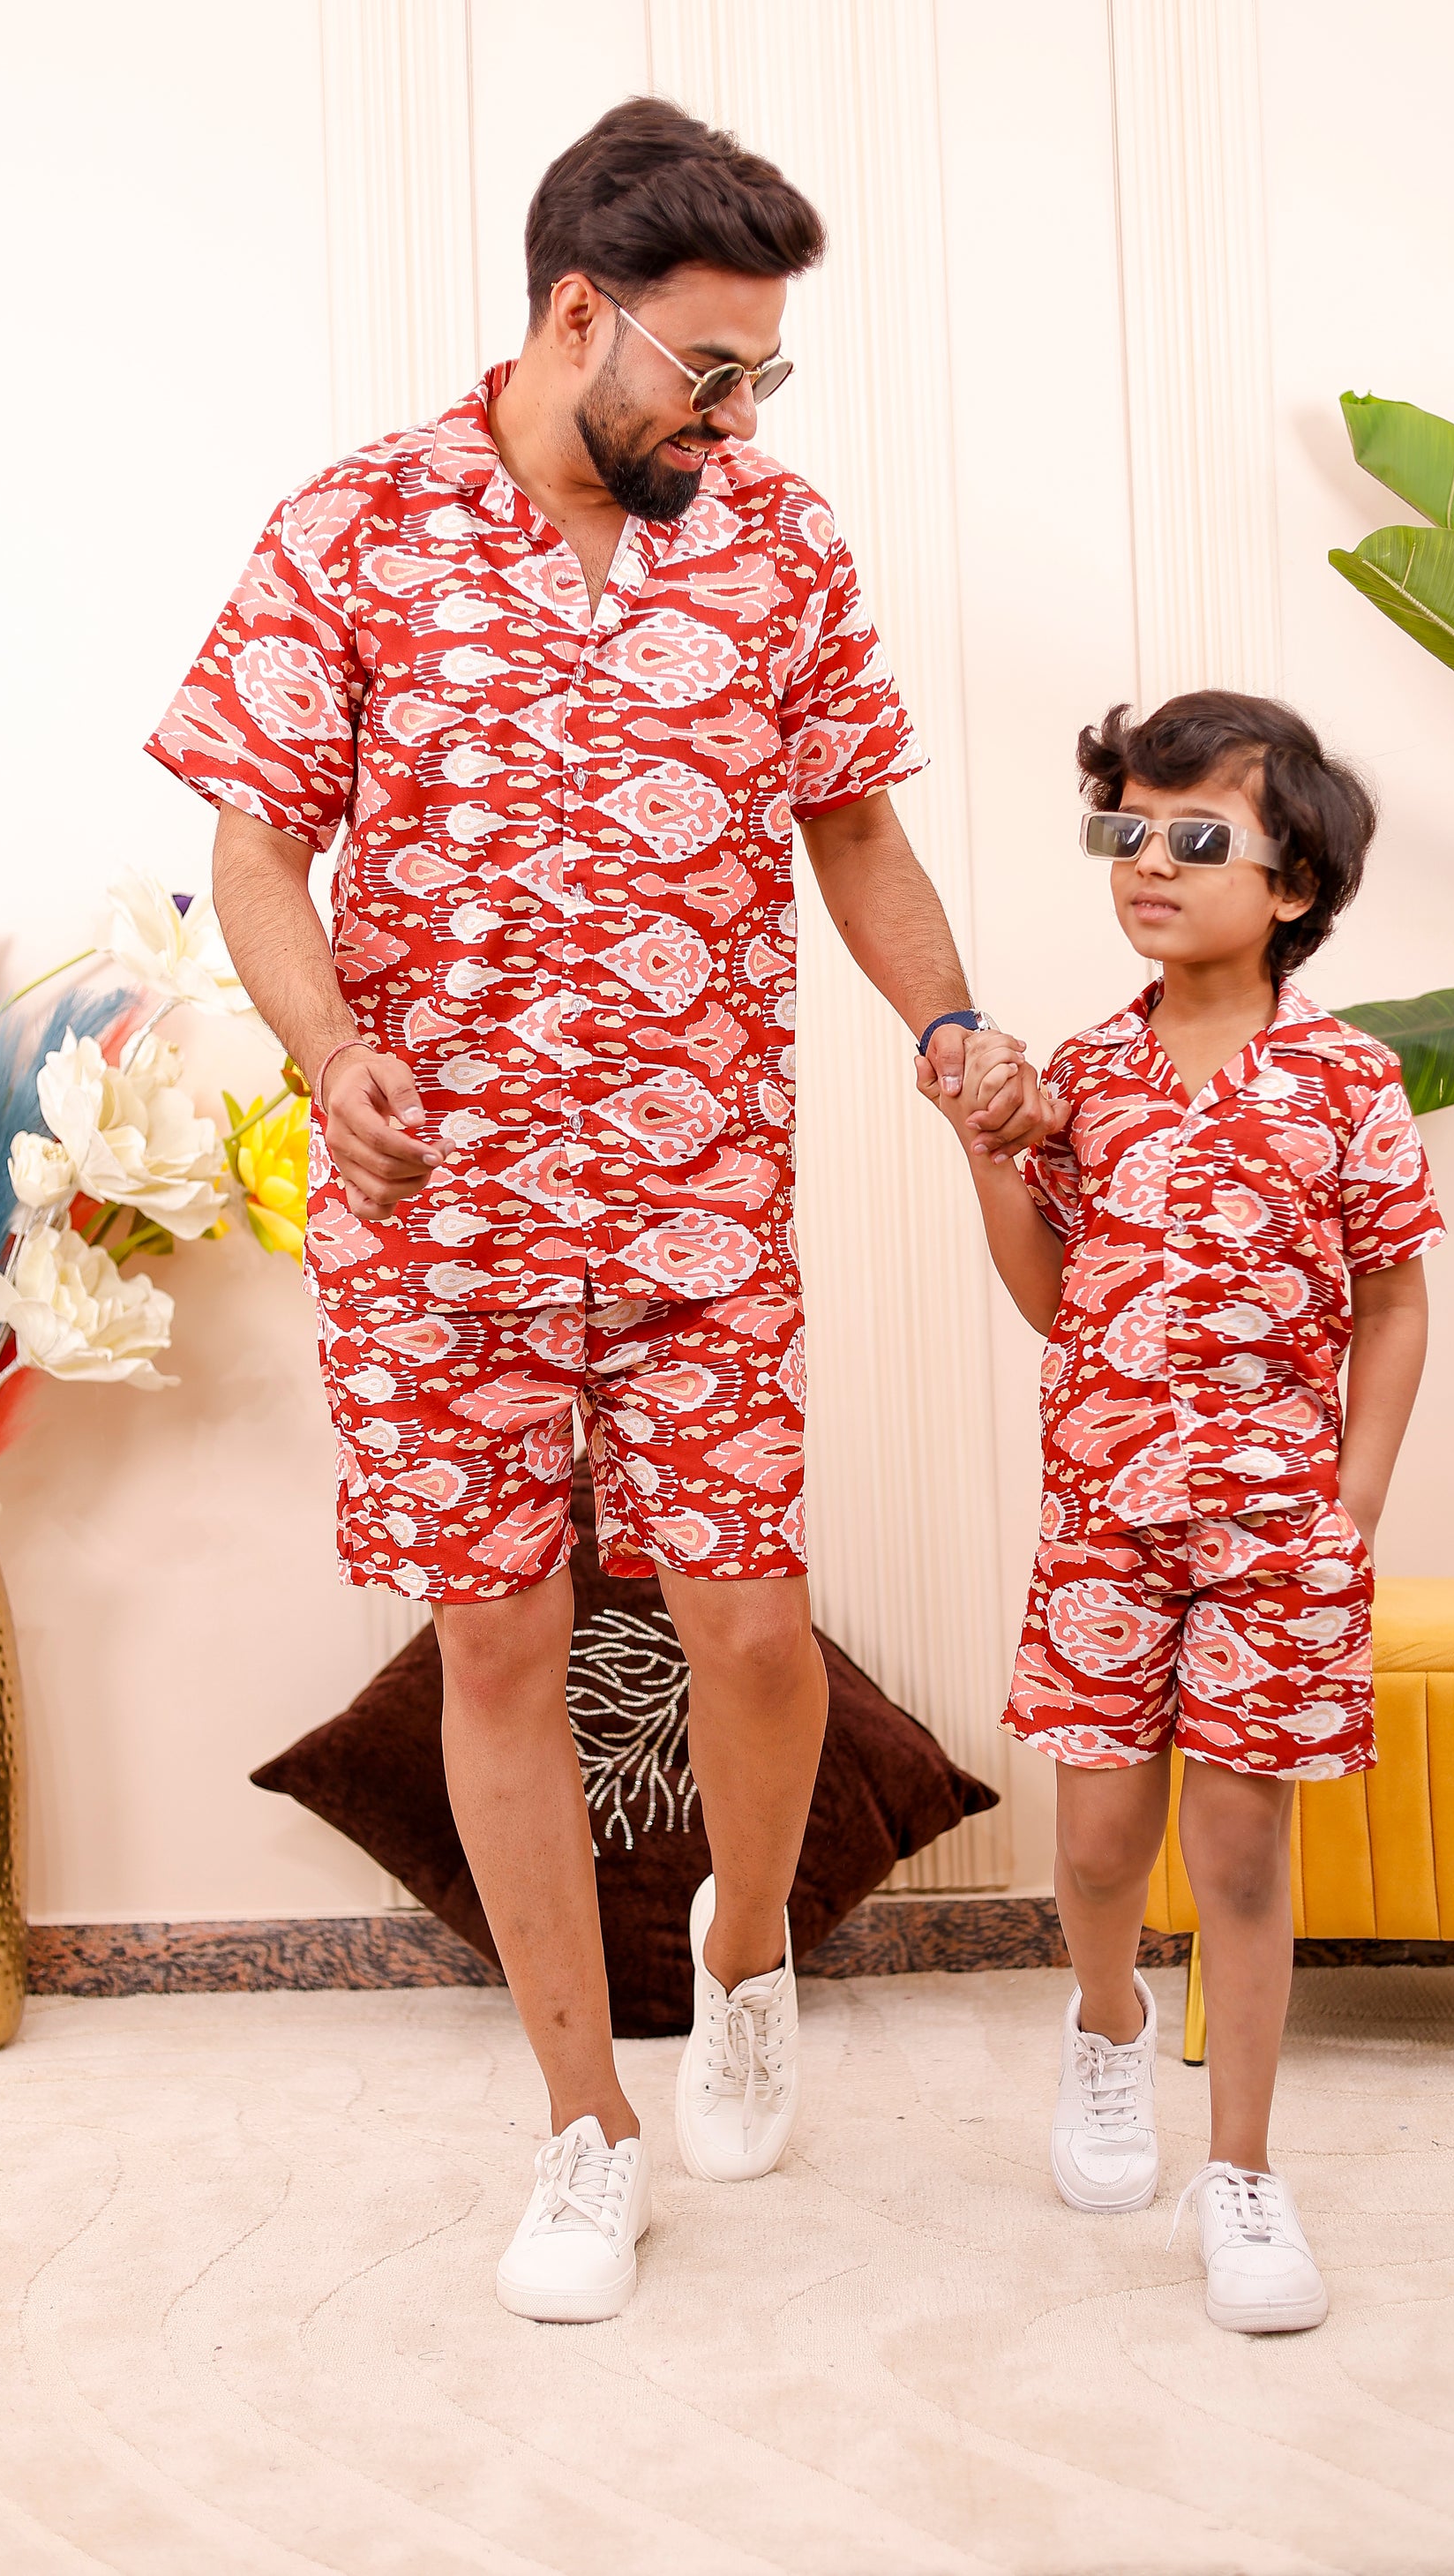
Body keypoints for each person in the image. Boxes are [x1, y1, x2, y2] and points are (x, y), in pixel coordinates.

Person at [146, 95, 1046, 2324]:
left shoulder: (780, 543)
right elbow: (260, 841)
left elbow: (851, 828)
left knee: (747, 1628)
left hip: (698, 1207)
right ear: (577, 315)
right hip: (437, 1219)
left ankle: (745, 1951)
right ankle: (582, 2124)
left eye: (765, 380)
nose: (738, 417)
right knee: (502, 1650)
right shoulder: (354, 528)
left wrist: (951, 1036)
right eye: (713, 371)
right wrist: (325, 1043)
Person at [922, 690, 1442, 2333]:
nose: (1147, 863)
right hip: (1104, 1515)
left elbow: (1394, 1300)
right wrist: (986, 1152)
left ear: (1290, 885)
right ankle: (1103, 2032)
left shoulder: (1346, 1080)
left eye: (1193, 836)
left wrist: (1349, 1503)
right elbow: (1050, 1297)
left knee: (1235, 1847)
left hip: (1278, 1527)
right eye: (1121, 831)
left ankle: (1242, 2172)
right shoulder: (1081, 1077)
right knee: (1092, 1841)